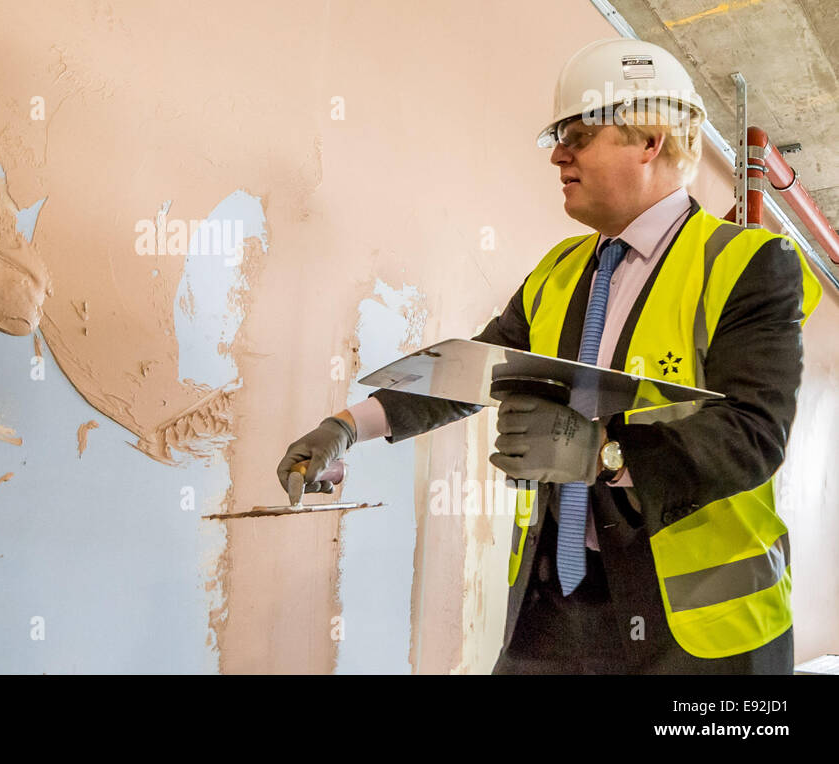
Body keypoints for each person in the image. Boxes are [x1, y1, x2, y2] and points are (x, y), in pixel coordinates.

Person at [278, 38, 823, 673]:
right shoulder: (558, 271)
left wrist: (602, 454)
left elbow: (753, 437)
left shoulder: (748, 264)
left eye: (579, 135)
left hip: (704, 635)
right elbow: (468, 369)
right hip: (553, 612)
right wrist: (347, 427)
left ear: (649, 141)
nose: (559, 154)